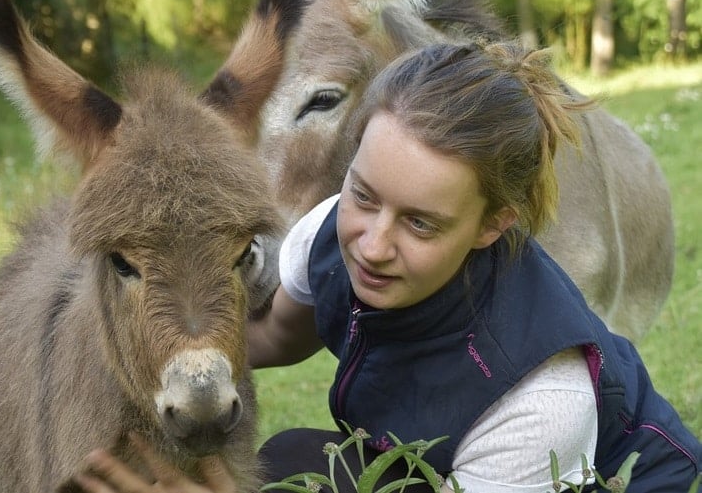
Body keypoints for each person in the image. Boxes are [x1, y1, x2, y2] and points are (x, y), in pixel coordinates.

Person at [71, 41, 702, 493]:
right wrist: (146, 354)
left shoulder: (540, 401)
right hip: (432, 460)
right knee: (296, 459)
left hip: (599, 478)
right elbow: (267, 338)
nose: (371, 246)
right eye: (364, 195)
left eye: (421, 222)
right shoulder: (330, 232)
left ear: (493, 225)